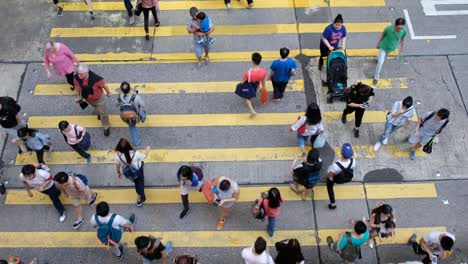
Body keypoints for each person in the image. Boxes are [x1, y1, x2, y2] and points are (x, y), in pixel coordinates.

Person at [74, 64, 112, 136]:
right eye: (78, 73)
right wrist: (79, 96)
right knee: (96, 108)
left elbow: (104, 86)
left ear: (87, 72)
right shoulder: (77, 77)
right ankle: (98, 112)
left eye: (81, 74)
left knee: (103, 113)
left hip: (99, 99)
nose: (79, 76)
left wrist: (108, 92)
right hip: (88, 98)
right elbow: (77, 86)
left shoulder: (96, 79)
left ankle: (106, 126)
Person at [114, 138, 150, 207]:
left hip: (129, 172)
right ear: (128, 146)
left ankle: (139, 193)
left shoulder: (117, 155)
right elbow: (144, 156)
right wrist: (147, 150)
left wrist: (118, 172)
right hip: (138, 170)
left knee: (136, 181)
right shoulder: (135, 154)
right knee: (139, 184)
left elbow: (117, 165)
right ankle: (140, 198)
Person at [374, 18, 407, 85]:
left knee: (382, 58)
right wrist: (378, 44)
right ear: (395, 25)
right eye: (399, 28)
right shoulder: (388, 29)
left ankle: (377, 58)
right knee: (380, 63)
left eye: (401, 28)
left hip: (391, 48)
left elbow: (402, 40)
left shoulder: (404, 31)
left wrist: (401, 50)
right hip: (383, 47)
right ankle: (376, 77)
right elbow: (382, 36)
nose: (400, 30)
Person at [326, 143, 355, 209]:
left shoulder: (336, 165)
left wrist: (328, 177)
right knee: (335, 181)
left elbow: (330, 175)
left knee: (330, 187)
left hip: (337, 177)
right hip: (345, 178)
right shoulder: (353, 161)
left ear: (341, 153)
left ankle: (333, 203)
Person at [237, 52, 267, 117]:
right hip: (257, 85)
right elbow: (262, 80)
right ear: (260, 61)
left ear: (252, 61)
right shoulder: (263, 71)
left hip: (250, 86)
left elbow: (242, 82)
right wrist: (263, 87)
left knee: (246, 97)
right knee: (254, 92)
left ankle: (252, 111)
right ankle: (254, 95)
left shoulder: (248, 73)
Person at [118, 82, 146, 146]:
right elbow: (142, 105)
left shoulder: (120, 97)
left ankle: (137, 142)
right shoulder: (135, 97)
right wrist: (137, 95)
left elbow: (117, 104)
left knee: (132, 127)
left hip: (126, 117)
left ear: (122, 90)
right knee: (142, 113)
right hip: (135, 114)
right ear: (130, 89)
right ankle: (143, 119)